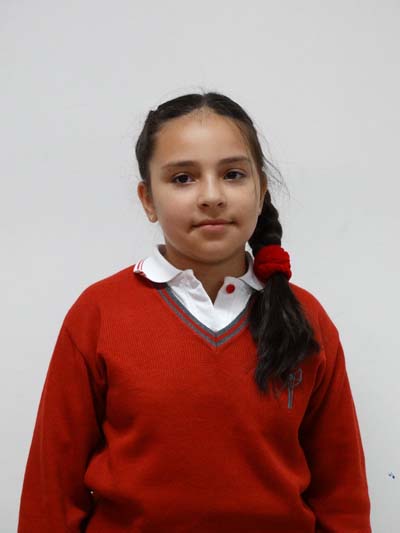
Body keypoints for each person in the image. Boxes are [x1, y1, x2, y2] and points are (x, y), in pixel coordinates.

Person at [18, 90, 372, 532]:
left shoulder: (306, 318)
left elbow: (342, 496)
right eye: (183, 178)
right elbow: (51, 494)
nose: (211, 196)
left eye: (233, 174)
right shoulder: (98, 314)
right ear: (148, 200)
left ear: (261, 191)